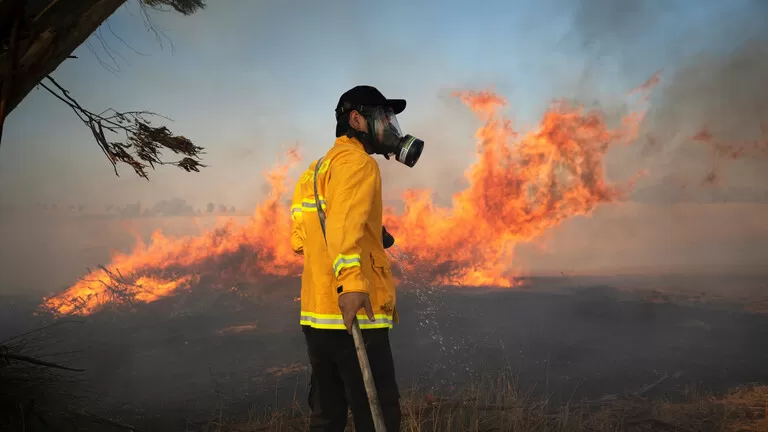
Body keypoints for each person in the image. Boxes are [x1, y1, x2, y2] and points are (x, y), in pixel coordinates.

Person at [290, 85, 423, 432]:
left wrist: (370, 233)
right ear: (356, 120)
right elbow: (343, 224)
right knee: (377, 415)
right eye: (383, 118)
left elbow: (302, 238)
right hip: (356, 316)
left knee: (327, 416)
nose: (390, 128)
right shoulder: (359, 164)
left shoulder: (315, 171)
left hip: (318, 318)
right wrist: (351, 283)